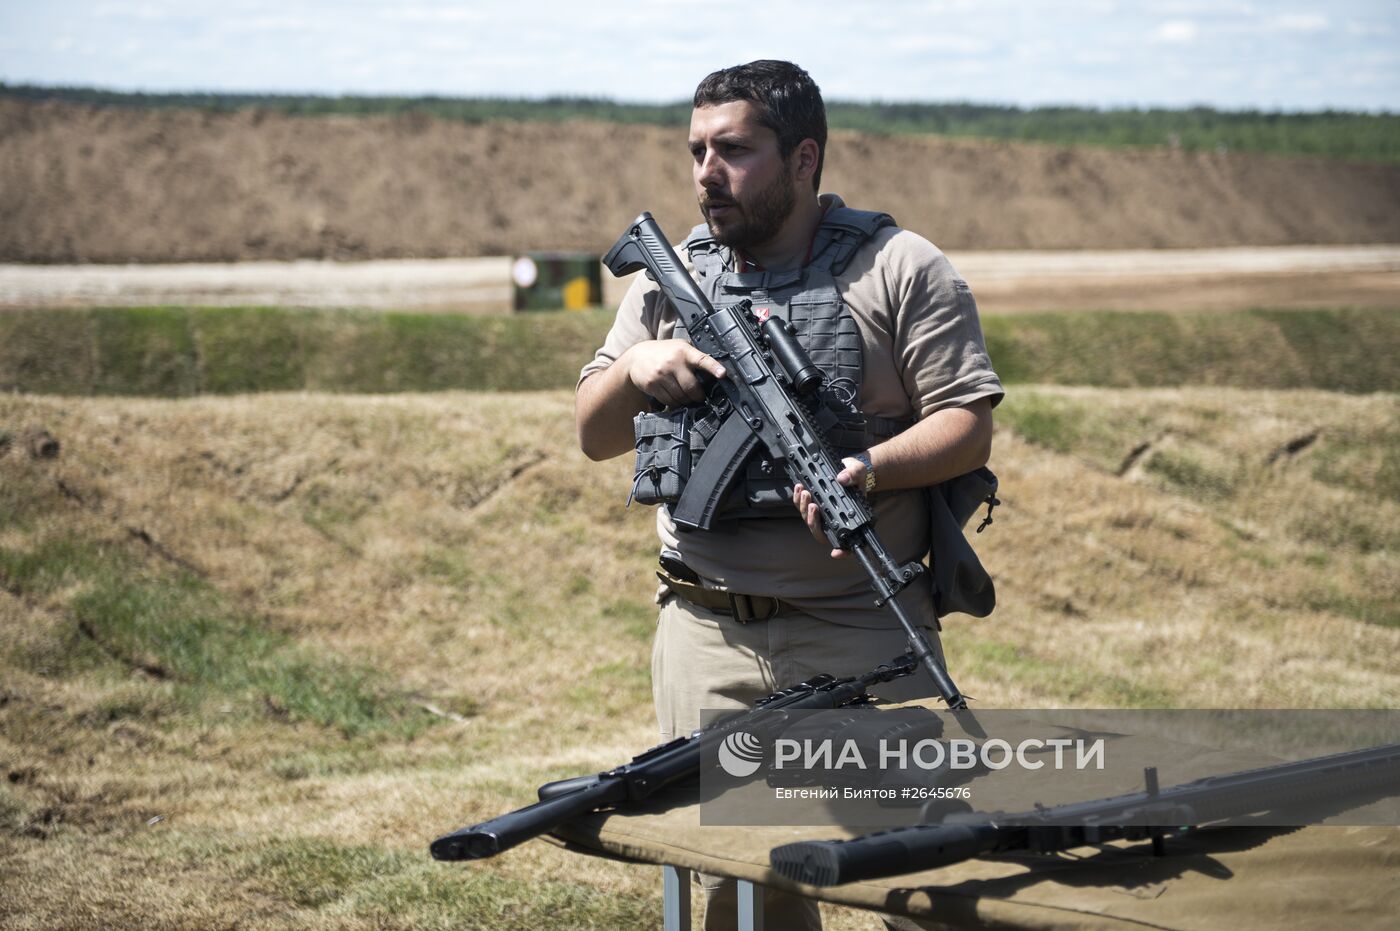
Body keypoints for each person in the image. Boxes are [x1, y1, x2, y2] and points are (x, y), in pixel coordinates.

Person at [575, 60, 1003, 931]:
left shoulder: (899, 267)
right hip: (707, 634)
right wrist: (635, 366)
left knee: (929, 877)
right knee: (739, 891)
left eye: (733, 149)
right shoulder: (669, 281)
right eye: (697, 150)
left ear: (804, 157)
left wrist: (870, 469)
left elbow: (967, 421)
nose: (705, 172)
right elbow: (592, 431)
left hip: (861, 626)